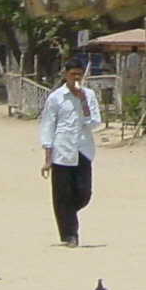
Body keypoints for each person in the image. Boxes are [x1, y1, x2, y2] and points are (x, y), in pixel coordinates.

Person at [39, 62, 103, 245]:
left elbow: (94, 123)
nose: (76, 78)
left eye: (79, 74)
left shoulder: (88, 95)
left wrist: (83, 102)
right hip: (62, 151)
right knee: (62, 195)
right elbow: (48, 126)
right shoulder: (56, 98)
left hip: (83, 150)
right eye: (73, 74)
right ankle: (69, 235)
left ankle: (68, 213)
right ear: (65, 74)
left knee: (83, 193)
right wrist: (47, 158)